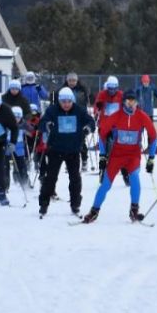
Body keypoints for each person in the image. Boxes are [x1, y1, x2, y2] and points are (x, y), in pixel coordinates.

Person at [81, 90, 157, 224]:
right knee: (105, 184)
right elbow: (102, 134)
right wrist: (103, 156)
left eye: (134, 102)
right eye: (129, 102)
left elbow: (154, 136)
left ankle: (134, 210)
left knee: (135, 179)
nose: (131, 105)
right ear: (124, 103)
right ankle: (94, 211)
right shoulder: (116, 116)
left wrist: (151, 158)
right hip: (117, 155)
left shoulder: (141, 116)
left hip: (133, 155)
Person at [37, 87, 95, 217]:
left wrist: (88, 128)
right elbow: (42, 123)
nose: (66, 104)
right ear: (59, 101)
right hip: (55, 150)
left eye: (68, 101)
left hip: (73, 150)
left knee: (75, 178)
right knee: (50, 178)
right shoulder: (53, 110)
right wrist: (47, 125)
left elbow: (91, 121)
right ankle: (44, 204)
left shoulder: (78, 110)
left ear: (72, 101)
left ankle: (75, 204)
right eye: (63, 102)